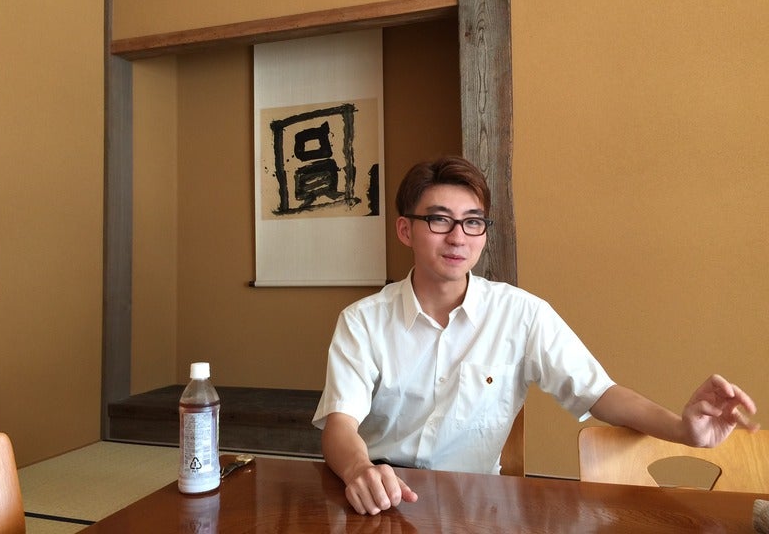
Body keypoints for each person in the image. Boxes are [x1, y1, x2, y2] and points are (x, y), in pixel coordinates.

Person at [311, 155, 759, 516]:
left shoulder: (522, 314)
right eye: (439, 220)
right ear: (405, 230)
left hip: (475, 505)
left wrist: (683, 430)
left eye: (473, 222)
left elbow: (600, 393)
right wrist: (360, 470)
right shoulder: (362, 321)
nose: (458, 237)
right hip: (382, 496)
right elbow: (340, 425)